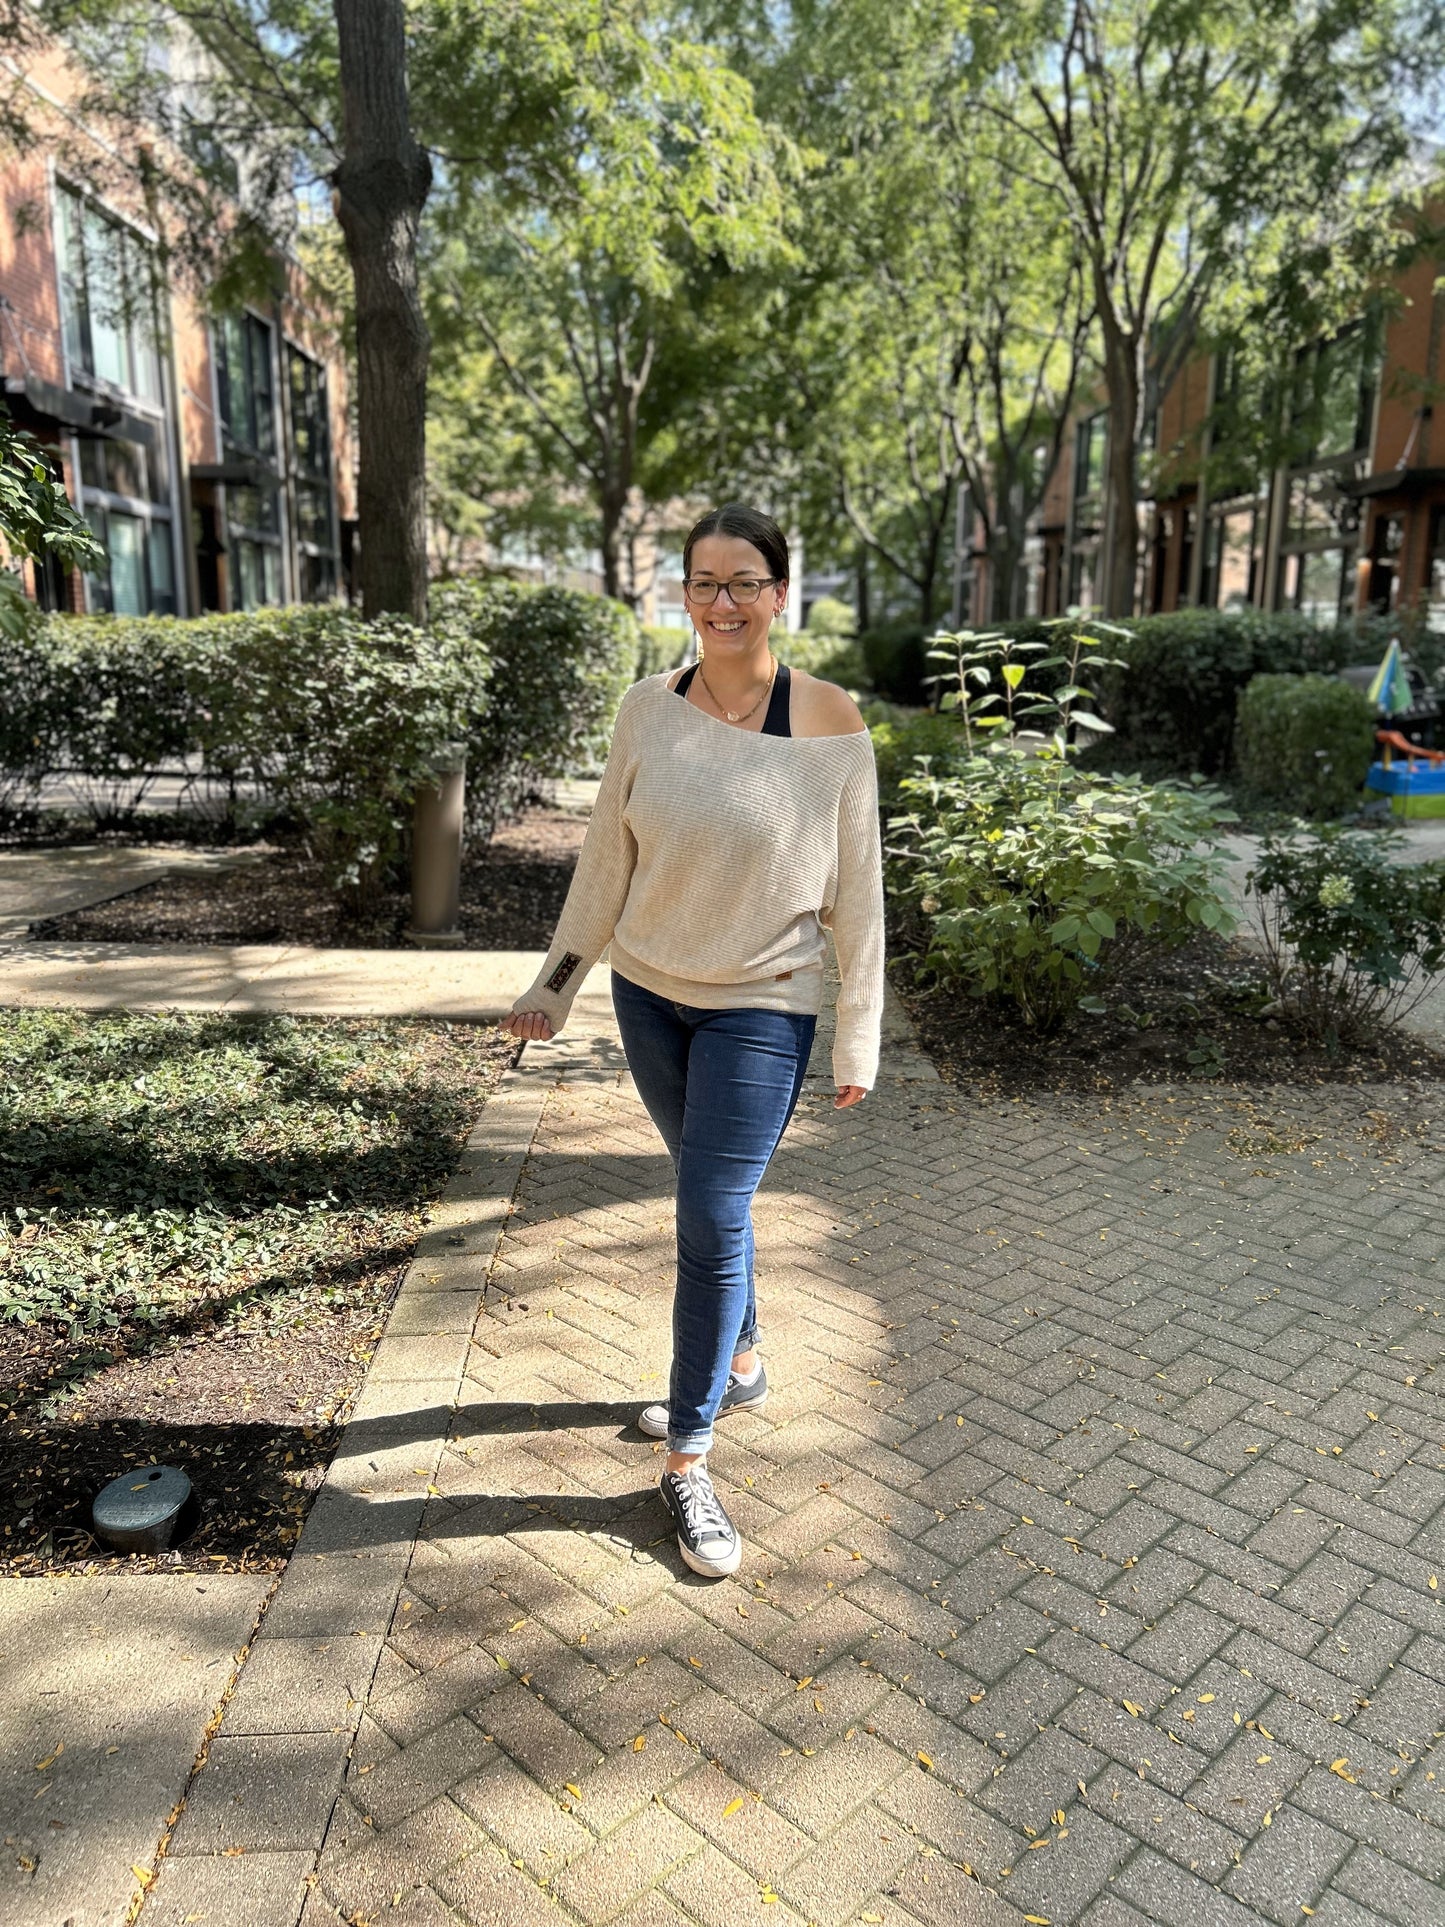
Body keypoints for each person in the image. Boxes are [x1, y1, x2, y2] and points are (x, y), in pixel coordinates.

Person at [499, 504, 884, 1578]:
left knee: (708, 1214)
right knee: (709, 1193)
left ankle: (686, 1460)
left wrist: (857, 1036)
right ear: (683, 593)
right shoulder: (645, 710)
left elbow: (858, 896)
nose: (722, 602)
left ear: (779, 593)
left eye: (744, 581)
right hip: (650, 994)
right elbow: (603, 865)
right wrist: (554, 983)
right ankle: (743, 1356)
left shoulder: (826, 720)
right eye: (702, 582)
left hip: (765, 1002)